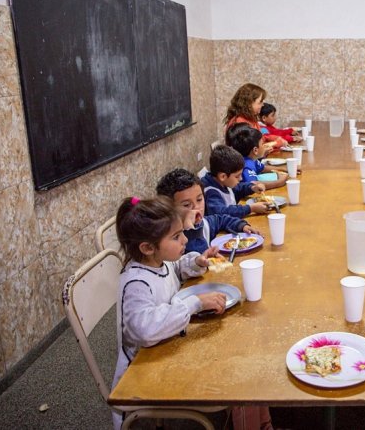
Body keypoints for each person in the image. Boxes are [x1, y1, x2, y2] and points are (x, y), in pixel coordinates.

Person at [111, 196, 227, 429]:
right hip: (142, 372)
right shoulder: (136, 283)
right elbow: (146, 330)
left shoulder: (158, 261)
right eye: (176, 236)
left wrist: (198, 261)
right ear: (147, 247)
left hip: (168, 349)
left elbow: (176, 267)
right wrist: (195, 304)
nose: (185, 239)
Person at [156, 168, 260, 254]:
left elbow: (220, 220)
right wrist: (192, 230)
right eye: (187, 205)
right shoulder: (170, 240)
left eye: (199, 199)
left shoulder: (203, 223)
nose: (197, 208)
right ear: (169, 209)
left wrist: (241, 226)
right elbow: (198, 258)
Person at [201, 145, 271, 217]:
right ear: (223, 176)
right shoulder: (211, 192)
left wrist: (252, 187)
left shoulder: (224, 182)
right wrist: (251, 208)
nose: (241, 179)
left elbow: (238, 188)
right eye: (237, 176)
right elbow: (222, 213)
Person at [224, 83, 288, 149]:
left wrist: (272, 138)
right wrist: (275, 143)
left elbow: (260, 138)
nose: (263, 105)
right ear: (249, 103)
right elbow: (252, 150)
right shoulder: (239, 123)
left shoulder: (251, 119)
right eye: (260, 102)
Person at [228, 124, 289, 189]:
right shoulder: (247, 165)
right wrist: (280, 181)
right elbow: (253, 185)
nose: (264, 146)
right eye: (262, 144)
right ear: (255, 150)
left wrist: (285, 169)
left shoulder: (252, 159)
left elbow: (263, 168)